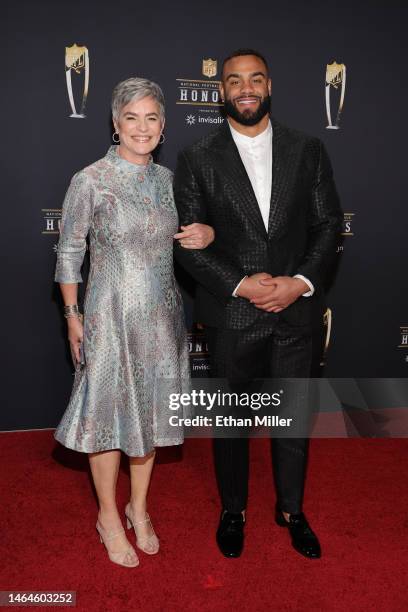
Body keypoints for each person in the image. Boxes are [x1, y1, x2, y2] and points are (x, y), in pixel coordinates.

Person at [174, 49, 343, 559]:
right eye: (233, 81)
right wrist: (243, 285)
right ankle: (234, 510)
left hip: (295, 310)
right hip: (232, 314)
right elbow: (189, 244)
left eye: (254, 79)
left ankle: (291, 509)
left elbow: (328, 226)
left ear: (268, 85)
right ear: (221, 90)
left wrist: (300, 283)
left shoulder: (307, 149)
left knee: (293, 416)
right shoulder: (196, 157)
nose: (244, 88)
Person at [54, 77, 214, 568]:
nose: (141, 127)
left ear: (163, 127)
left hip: (163, 320)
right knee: (107, 421)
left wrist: (207, 233)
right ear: (115, 124)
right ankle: (107, 515)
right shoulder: (92, 179)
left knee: (151, 419)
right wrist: (72, 316)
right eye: (131, 117)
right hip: (108, 317)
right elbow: (68, 253)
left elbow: (193, 236)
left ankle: (137, 508)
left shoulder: (170, 182)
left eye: (151, 118)